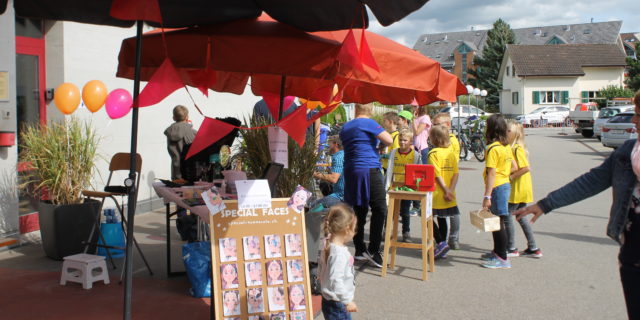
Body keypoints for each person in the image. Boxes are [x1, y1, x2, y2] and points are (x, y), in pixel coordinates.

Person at [515, 91, 640, 319]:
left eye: (639, 116)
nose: (634, 120)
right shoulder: (626, 153)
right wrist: (546, 204)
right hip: (633, 253)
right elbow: (590, 182)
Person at [339, 103, 392, 267]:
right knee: (380, 208)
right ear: (370, 110)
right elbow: (389, 140)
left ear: (355, 109)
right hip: (368, 168)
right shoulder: (368, 123)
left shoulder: (346, 127)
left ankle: (360, 249)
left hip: (351, 169)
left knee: (359, 210)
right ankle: (374, 250)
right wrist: (380, 146)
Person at [480, 114, 517, 269]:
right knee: (498, 221)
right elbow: (514, 167)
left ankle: (502, 257)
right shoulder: (505, 146)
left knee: (497, 223)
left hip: (497, 187)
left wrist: (487, 195)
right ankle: (498, 251)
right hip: (504, 185)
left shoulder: (492, 148)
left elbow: (492, 173)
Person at [505, 121, 542, 258]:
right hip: (521, 187)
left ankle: (511, 247)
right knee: (521, 217)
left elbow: (526, 168)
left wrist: (511, 176)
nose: (505, 132)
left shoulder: (516, 149)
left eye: (508, 131)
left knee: (508, 216)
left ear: (515, 134)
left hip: (518, 188)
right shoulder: (513, 148)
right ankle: (533, 247)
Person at [318, 204, 358, 320]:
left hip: (330, 300)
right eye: (354, 228)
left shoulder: (327, 244)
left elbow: (321, 267)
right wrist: (347, 301)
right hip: (338, 303)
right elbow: (336, 280)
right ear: (347, 229)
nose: (355, 232)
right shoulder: (339, 254)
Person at [427, 125, 460, 259]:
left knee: (427, 218)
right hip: (450, 193)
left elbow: (436, 174)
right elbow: (456, 174)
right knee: (442, 218)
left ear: (434, 138)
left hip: (437, 192)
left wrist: (445, 190)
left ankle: (440, 243)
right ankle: (443, 244)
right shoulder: (451, 153)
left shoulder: (433, 154)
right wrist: (450, 190)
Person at [384, 129, 421, 243]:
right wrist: (387, 185)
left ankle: (406, 232)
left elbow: (419, 171)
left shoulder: (415, 155)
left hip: (407, 188)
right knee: (389, 210)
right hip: (394, 187)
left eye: (405, 140)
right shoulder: (394, 152)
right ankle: (387, 231)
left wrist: (416, 187)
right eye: (400, 140)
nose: (402, 142)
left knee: (405, 211)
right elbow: (389, 169)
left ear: (410, 141)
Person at [312, 135, 345, 209]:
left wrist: (314, 174)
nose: (328, 145)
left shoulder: (338, 157)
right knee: (323, 184)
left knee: (312, 206)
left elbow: (333, 178)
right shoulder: (344, 154)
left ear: (335, 144)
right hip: (345, 194)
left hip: (340, 197)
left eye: (329, 142)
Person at [164, 105, 197, 180]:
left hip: (175, 172)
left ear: (174, 118)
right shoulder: (193, 133)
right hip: (189, 172)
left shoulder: (170, 132)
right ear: (187, 117)